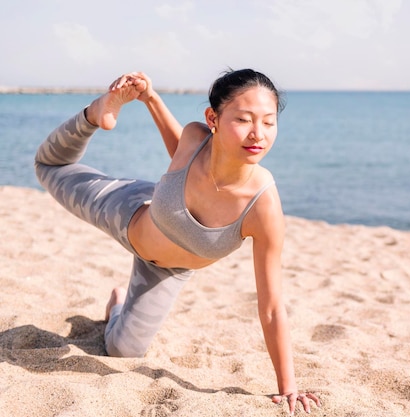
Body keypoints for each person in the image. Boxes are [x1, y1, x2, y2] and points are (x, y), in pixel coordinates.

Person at [34, 70, 320, 415]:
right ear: (212, 118)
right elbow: (180, 158)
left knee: (124, 352)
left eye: (269, 122)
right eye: (243, 119)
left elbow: (272, 306)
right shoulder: (196, 137)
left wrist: (288, 387)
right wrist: (150, 99)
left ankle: (117, 304)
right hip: (129, 213)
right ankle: (94, 114)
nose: (257, 134)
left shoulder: (263, 206)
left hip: (166, 271)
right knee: (49, 166)